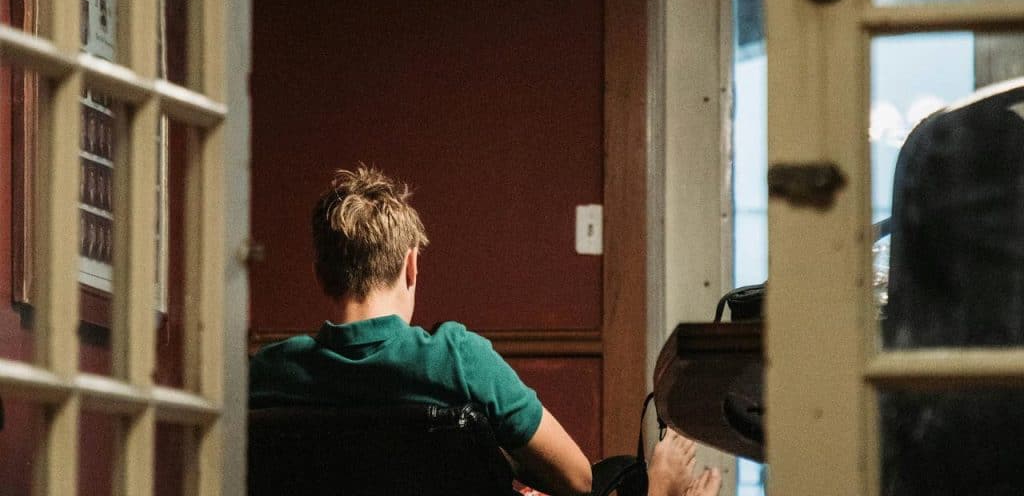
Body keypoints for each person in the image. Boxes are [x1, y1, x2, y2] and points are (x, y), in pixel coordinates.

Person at [250, 166, 722, 496]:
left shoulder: (268, 373)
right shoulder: (456, 358)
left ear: (320, 275)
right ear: (411, 266)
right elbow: (578, 481)